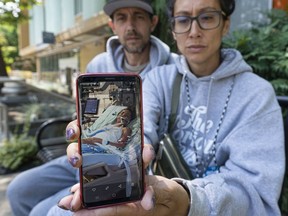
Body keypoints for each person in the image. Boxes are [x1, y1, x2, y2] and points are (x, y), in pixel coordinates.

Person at [57, 0, 286, 215]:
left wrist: (186, 199)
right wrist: (127, 146)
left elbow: (254, 193)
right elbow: (141, 128)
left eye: (207, 18)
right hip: (154, 198)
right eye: (183, 20)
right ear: (174, 29)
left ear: (225, 24)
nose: (194, 31)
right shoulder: (159, 80)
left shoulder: (256, 94)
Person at [6, 0, 176, 215]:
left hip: (132, 163)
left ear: (153, 22)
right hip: (89, 151)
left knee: (41, 211)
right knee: (18, 190)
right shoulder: (98, 64)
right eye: (121, 18)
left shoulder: (171, 69)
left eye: (139, 16)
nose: (130, 26)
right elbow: (85, 117)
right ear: (112, 25)